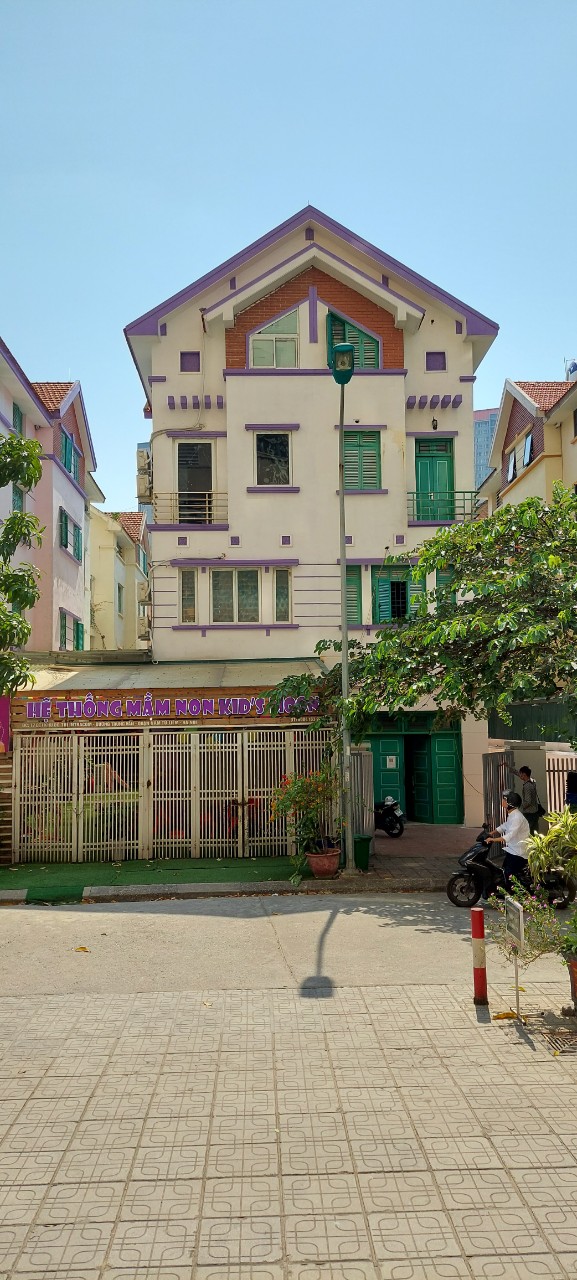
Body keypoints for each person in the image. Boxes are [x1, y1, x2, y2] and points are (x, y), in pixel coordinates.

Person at [488, 790, 530, 894]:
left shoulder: (517, 817)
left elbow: (510, 835)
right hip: (513, 849)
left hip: (518, 852)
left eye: (504, 800)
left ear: (510, 803)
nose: (502, 801)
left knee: (509, 874)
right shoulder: (512, 814)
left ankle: (515, 894)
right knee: (503, 872)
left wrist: (493, 839)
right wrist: (491, 833)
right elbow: (505, 826)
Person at [510, 764, 540, 834]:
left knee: (527, 833)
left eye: (521, 773)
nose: (520, 775)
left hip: (529, 814)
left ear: (524, 774)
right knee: (534, 833)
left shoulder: (527, 786)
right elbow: (520, 775)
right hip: (534, 813)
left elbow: (528, 802)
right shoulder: (532, 782)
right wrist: (511, 769)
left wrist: (519, 808)